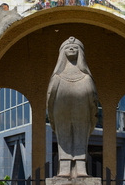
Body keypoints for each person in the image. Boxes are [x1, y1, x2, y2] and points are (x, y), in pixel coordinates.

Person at [47, 37, 98, 178]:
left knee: (81, 137)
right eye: (68, 47)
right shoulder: (57, 78)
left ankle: (81, 168)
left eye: (75, 47)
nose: (71, 49)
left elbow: (93, 102)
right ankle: (64, 168)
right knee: (63, 137)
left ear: (80, 52)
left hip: (83, 115)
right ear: (62, 53)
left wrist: (92, 118)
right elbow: (50, 102)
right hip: (60, 114)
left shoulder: (86, 78)